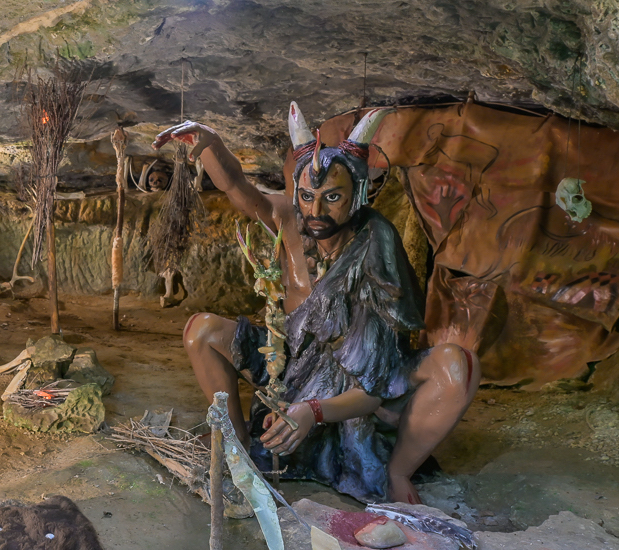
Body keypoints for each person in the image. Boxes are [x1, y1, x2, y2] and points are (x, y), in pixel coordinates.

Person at [155, 104, 478, 504]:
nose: (316, 211)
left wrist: (312, 412)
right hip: (288, 365)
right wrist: (209, 145)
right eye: (307, 196)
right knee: (200, 330)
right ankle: (238, 438)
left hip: (358, 390)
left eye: (333, 197)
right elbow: (238, 187)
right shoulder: (290, 219)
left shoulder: (375, 243)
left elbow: (375, 383)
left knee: (456, 365)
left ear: (357, 194)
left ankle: (396, 471)